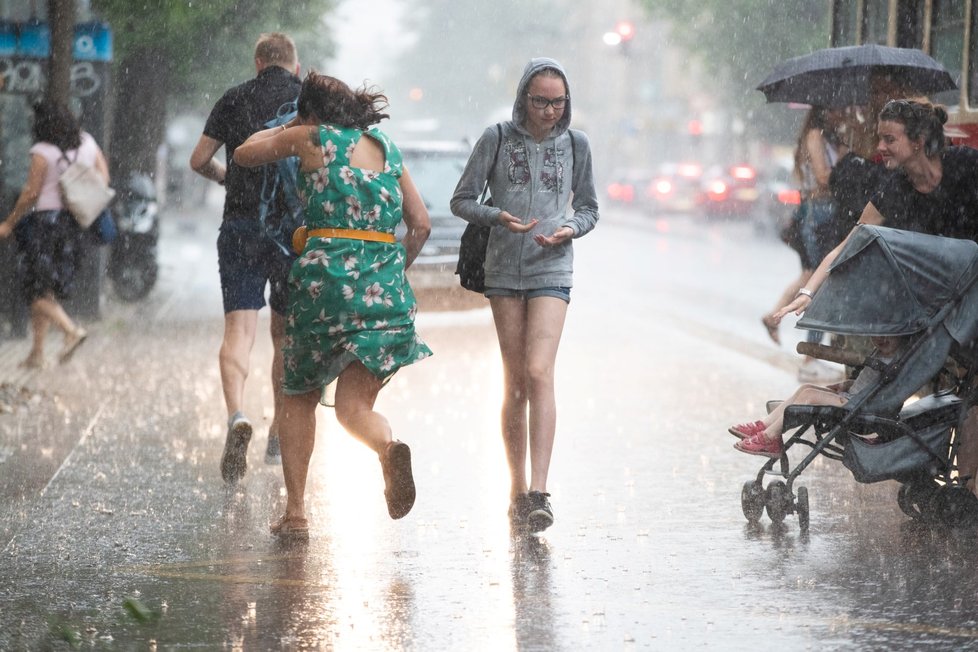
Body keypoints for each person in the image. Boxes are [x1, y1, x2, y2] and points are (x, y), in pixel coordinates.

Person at [233, 72, 432, 539]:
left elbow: (244, 153)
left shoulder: (311, 138)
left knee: (298, 392)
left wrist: (286, 126)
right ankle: (388, 447)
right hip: (384, 290)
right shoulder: (387, 147)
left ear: (311, 114)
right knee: (353, 407)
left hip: (327, 288)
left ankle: (296, 513)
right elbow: (420, 225)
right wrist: (390, 273)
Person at [774, 99, 978, 491]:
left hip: (971, 297)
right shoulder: (896, 187)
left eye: (889, 139)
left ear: (918, 141)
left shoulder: (966, 167)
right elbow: (849, 245)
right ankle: (965, 490)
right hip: (939, 310)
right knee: (964, 395)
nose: (879, 148)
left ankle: (967, 485)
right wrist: (808, 292)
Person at [450, 58, 599, 533]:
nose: (550, 110)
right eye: (541, 100)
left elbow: (591, 207)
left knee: (539, 372)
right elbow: (462, 200)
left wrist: (571, 227)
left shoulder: (577, 144)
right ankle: (516, 488)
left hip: (552, 266)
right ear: (523, 97)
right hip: (502, 270)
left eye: (558, 101)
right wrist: (497, 217)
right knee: (515, 382)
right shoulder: (496, 138)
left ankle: (540, 491)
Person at [189, 32, 301, 483]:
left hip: (240, 227)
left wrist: (228, 179)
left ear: (258, 62)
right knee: (285, 333)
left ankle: (237, 415)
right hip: (293, 233)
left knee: (239, 329)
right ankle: (277, 426)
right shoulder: (306, 98)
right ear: (295, 66)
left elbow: (199, 159)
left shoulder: (234, 98)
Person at [0, 100, 103, 368]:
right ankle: (37, 353)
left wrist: (10, 222)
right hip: (73, 225)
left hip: (45, 227)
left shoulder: (42, 150)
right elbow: (104, 177)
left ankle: (70, 330)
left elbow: (31, 193)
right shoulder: (87, 143)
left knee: (34, 291)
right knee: (47, 289)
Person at [762, 107, 848, 383]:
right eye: (838, 109)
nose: (842, 114)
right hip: (820, 213)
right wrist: (846, 162)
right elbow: (823, 177)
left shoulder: (827, 136)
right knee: (819, 282)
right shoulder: (815, 135)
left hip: (823, 213)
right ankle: (811, 358)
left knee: (812, 277)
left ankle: (775, 318)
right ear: (825, 110)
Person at [731, 335, 908, 457]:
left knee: (809, 394)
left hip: (861, 407)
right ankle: (764, 426)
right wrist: (846, 385)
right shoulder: (880, 353)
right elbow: (868, 383)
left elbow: (882, 391)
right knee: (806, 388)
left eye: (888, 337)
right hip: (853, 397)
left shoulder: (897, 359)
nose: (881, 340)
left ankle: (770, 438)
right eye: (876, 335)